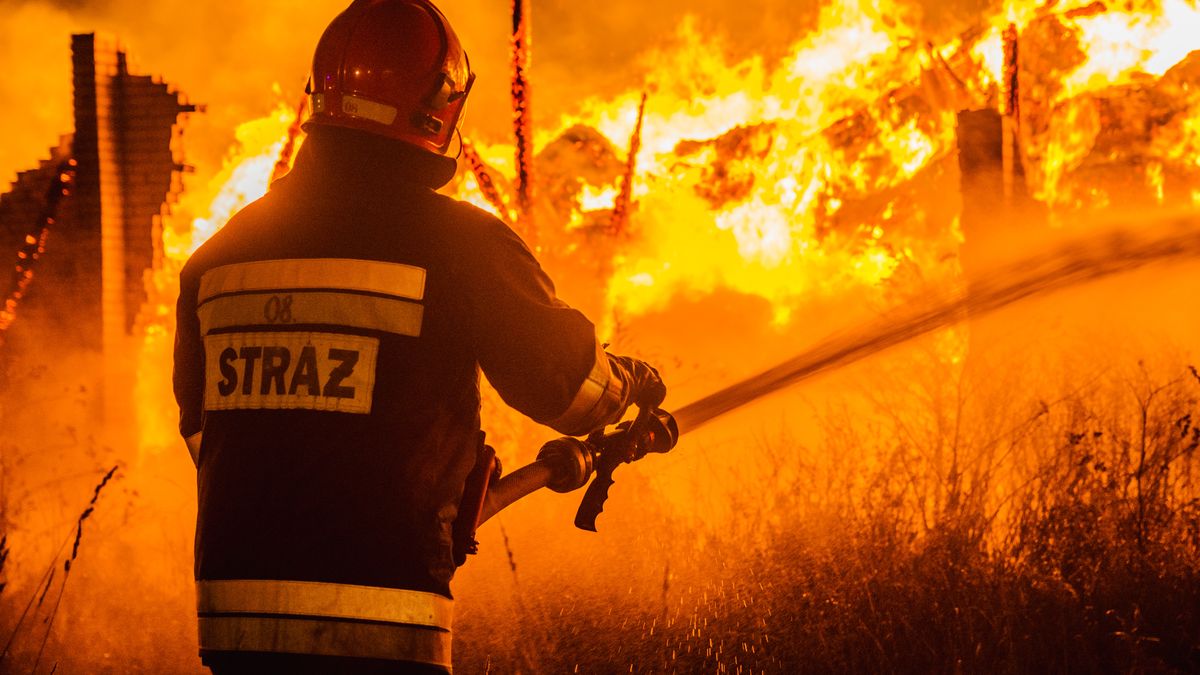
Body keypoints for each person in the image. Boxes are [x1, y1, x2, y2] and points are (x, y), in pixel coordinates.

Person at [171, 1, 666, 673]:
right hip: (384, 628)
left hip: (237, 630)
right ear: (440, 107)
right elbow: (568, 388)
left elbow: (207, 434)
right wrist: (631, 384)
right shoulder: (460, 243)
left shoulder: (218, 257)